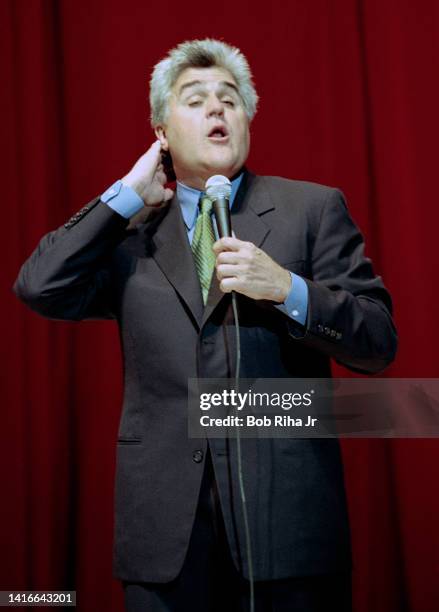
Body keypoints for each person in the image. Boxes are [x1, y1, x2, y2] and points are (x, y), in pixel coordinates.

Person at [14, 38, 397, 611]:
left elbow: (378, 342)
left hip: (288, 530)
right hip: (166, 537)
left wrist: (288, 289)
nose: (217, 109)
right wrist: (122, 199)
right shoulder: (130, 237)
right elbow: (39, 286)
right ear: (161, 133)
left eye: (231, 99)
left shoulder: (311, 210)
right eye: (195, 100)